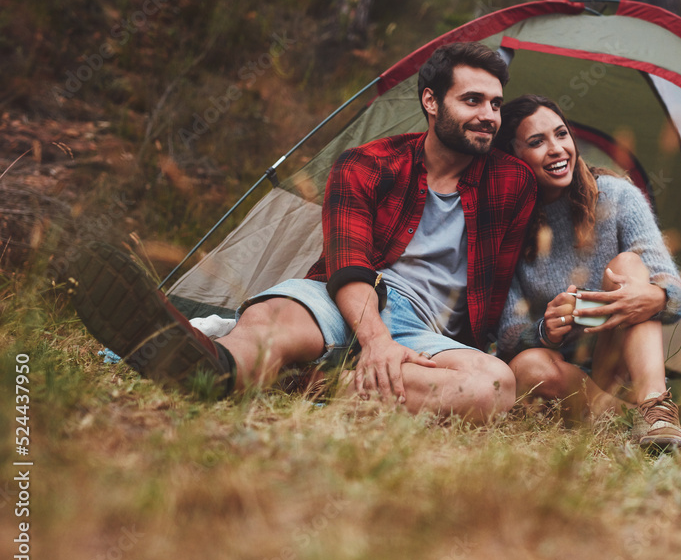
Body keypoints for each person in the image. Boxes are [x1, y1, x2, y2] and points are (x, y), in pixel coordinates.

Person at [66, 42, 536, 425]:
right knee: (273, 322)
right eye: (472, 100)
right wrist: (375, 340)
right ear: (431, 102)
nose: (489, 116)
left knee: (494, 386)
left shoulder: (512, 182)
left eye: (495, 104)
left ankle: (307, 381)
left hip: (427, 331)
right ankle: (211, 366)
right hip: (348, 297)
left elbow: (509, 275)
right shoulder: (366, 163)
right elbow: (348, 263)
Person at [493, 94, 681, 449]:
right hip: (562, 375)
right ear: (513, 157)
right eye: (537, 142)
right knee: (527, 368)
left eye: (561, 134)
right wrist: (547, 331)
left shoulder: (617, 197)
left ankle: (656, 410)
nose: (557, 149)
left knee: (628, 265)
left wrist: (654, 296)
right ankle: (628, 422)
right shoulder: (506, 227)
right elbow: (508, 337)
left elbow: (676, 295)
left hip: (618, 362)